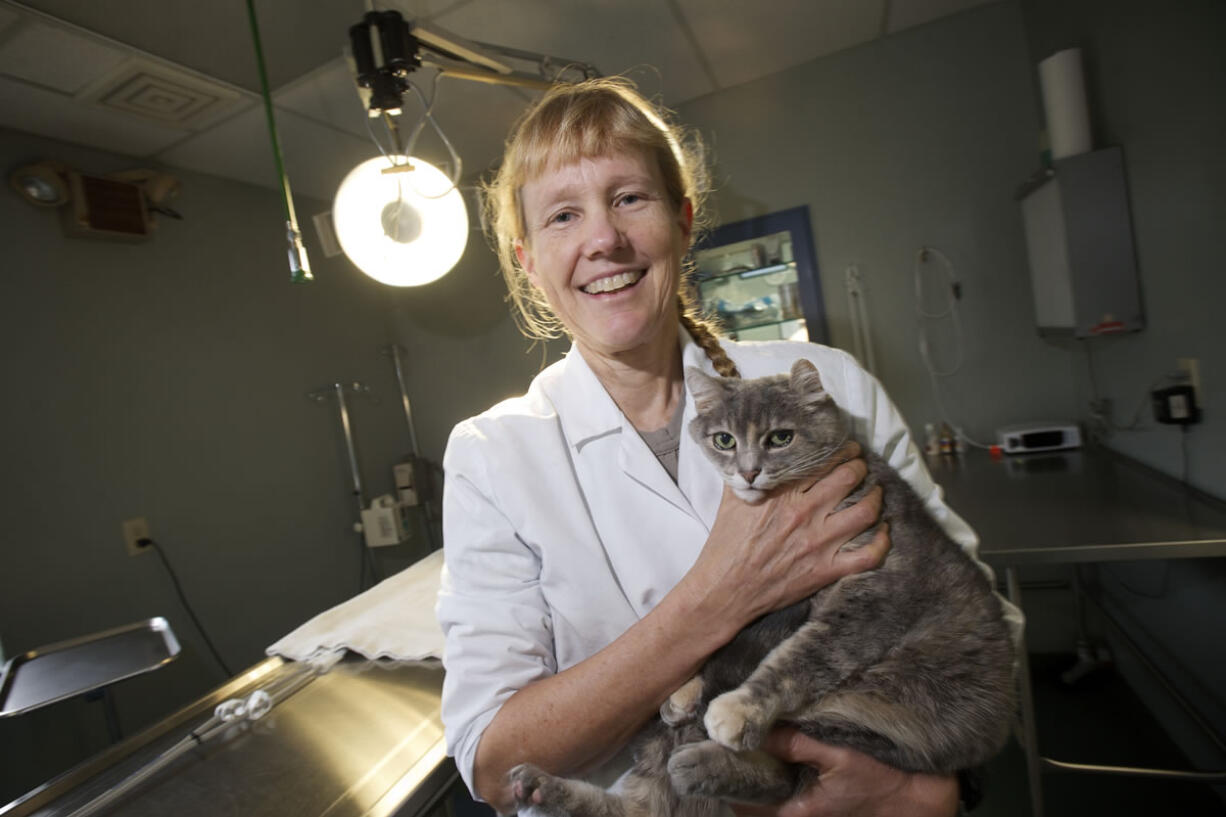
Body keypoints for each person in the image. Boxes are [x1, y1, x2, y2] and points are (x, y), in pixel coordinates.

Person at [437, 77, 1019, 817]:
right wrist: (719, 595)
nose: (603, 240)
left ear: (681, 220)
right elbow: (492, 759)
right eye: (562, 214)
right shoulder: (492, 453)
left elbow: (972, 616)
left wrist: (928, 789)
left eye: (629, 198)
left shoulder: (829, 386)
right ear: (527, 259)